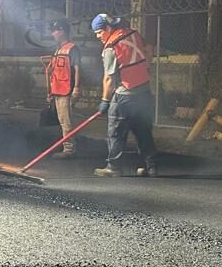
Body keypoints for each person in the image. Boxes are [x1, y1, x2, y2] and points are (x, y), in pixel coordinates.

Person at [92, 13, 157, 178]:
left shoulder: (111, 47)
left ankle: (113, 167)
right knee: (143, 131)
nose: (98, 36)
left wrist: (105, 101)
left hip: (124, 95)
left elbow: (109, 78)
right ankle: (151, 166)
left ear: (108, 28)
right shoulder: (133, 33)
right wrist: (146, 65)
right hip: (144, 92)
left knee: (115, 133)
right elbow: (149, 48)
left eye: (99, 32)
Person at [42, 20, 81, 158]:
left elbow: (77, 69)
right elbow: (54, 72)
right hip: (58, 90)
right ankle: (67, 145)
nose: (53, 33)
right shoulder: (59, 49)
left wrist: (76, 88)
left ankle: (69, 149)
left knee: (66, 121)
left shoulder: (72, 48)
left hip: (66, 90)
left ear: (62, 31)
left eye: (55, 30)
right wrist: (51, 92)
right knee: (63, 120)